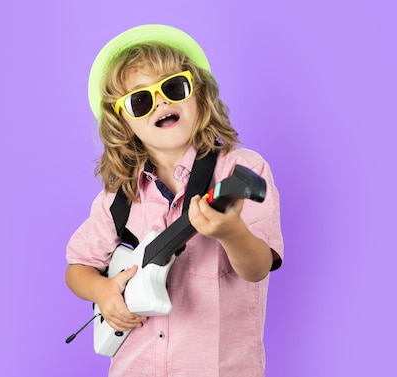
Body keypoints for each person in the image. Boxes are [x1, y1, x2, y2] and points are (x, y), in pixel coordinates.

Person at [65, 24, 283, 377]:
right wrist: (103, 291)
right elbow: (76, 269)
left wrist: (231, 233)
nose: (161, 102)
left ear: (198, 93)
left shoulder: (240, 169)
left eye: (173, 87)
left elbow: (257, 267)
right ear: (124, 123)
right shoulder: (118, 198)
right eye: (140, 100)